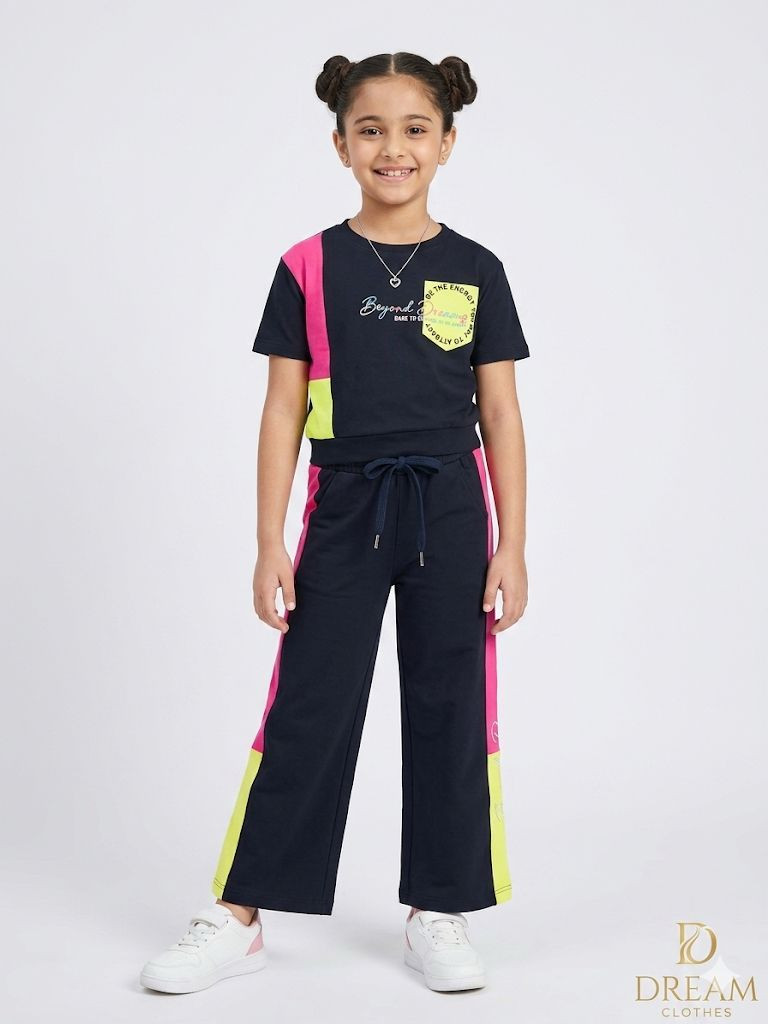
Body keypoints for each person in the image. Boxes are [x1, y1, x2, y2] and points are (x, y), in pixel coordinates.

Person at [140, 50, 530, 996]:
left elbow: (501, 412)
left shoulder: (476, 268)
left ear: (447, 142)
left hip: (450, 505)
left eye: (415, 129)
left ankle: (440, 906)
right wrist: (268, 541)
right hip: (345, 503)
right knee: (309, 701)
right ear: (340, 144)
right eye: (371, 129)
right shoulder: (306, 265)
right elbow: (282, 409)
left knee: (451, 703)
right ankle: (241, 912)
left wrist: (513, 545)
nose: (393, 148)